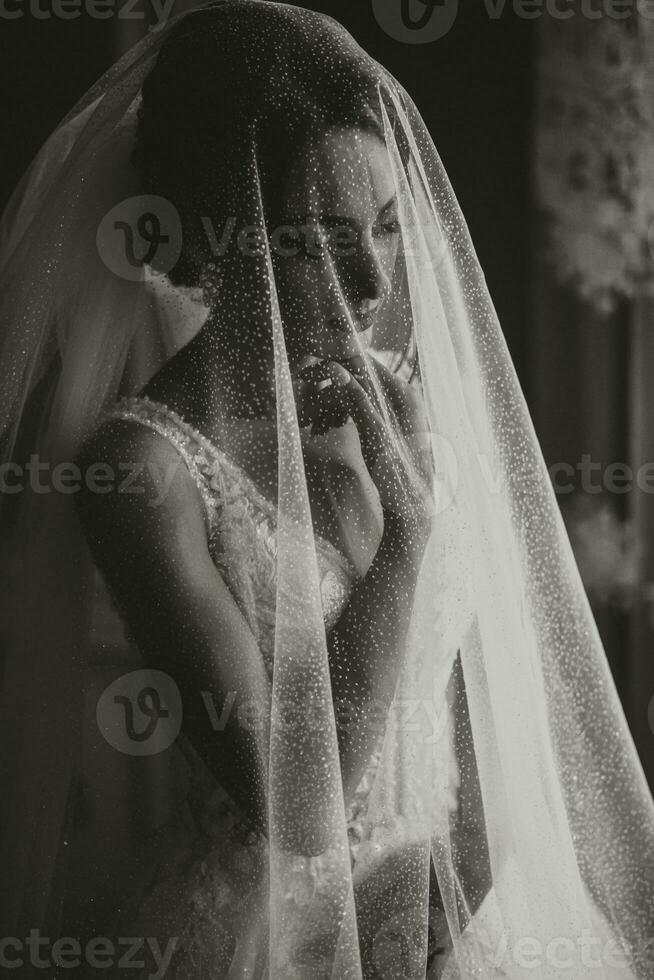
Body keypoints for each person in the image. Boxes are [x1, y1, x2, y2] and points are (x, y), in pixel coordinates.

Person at [1, 2, 652, 978]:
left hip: (466, 907)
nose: (374, 280)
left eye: (389, 227)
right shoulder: (144, 469)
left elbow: (487, 684)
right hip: (273, 941)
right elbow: (299, 803)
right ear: (219, 236)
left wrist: (466, 882)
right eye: (316, 238)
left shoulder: (403, 401)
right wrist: (407, 533)